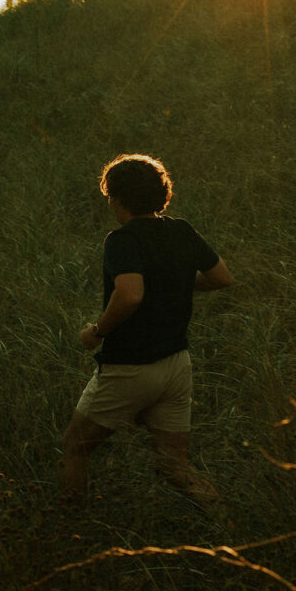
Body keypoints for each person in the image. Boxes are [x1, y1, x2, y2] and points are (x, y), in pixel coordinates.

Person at [59, 153, 232, 503]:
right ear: (160, 194)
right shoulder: (181, 230)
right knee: (174, 464)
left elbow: (130, 295)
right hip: (176, 364)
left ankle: (70, 530)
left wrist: (96, 333)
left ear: (116, 197)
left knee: (75, 447)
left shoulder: (121, 240)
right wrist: (177, 282)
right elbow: (221, 278)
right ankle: (226, 522)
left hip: (129, 366)